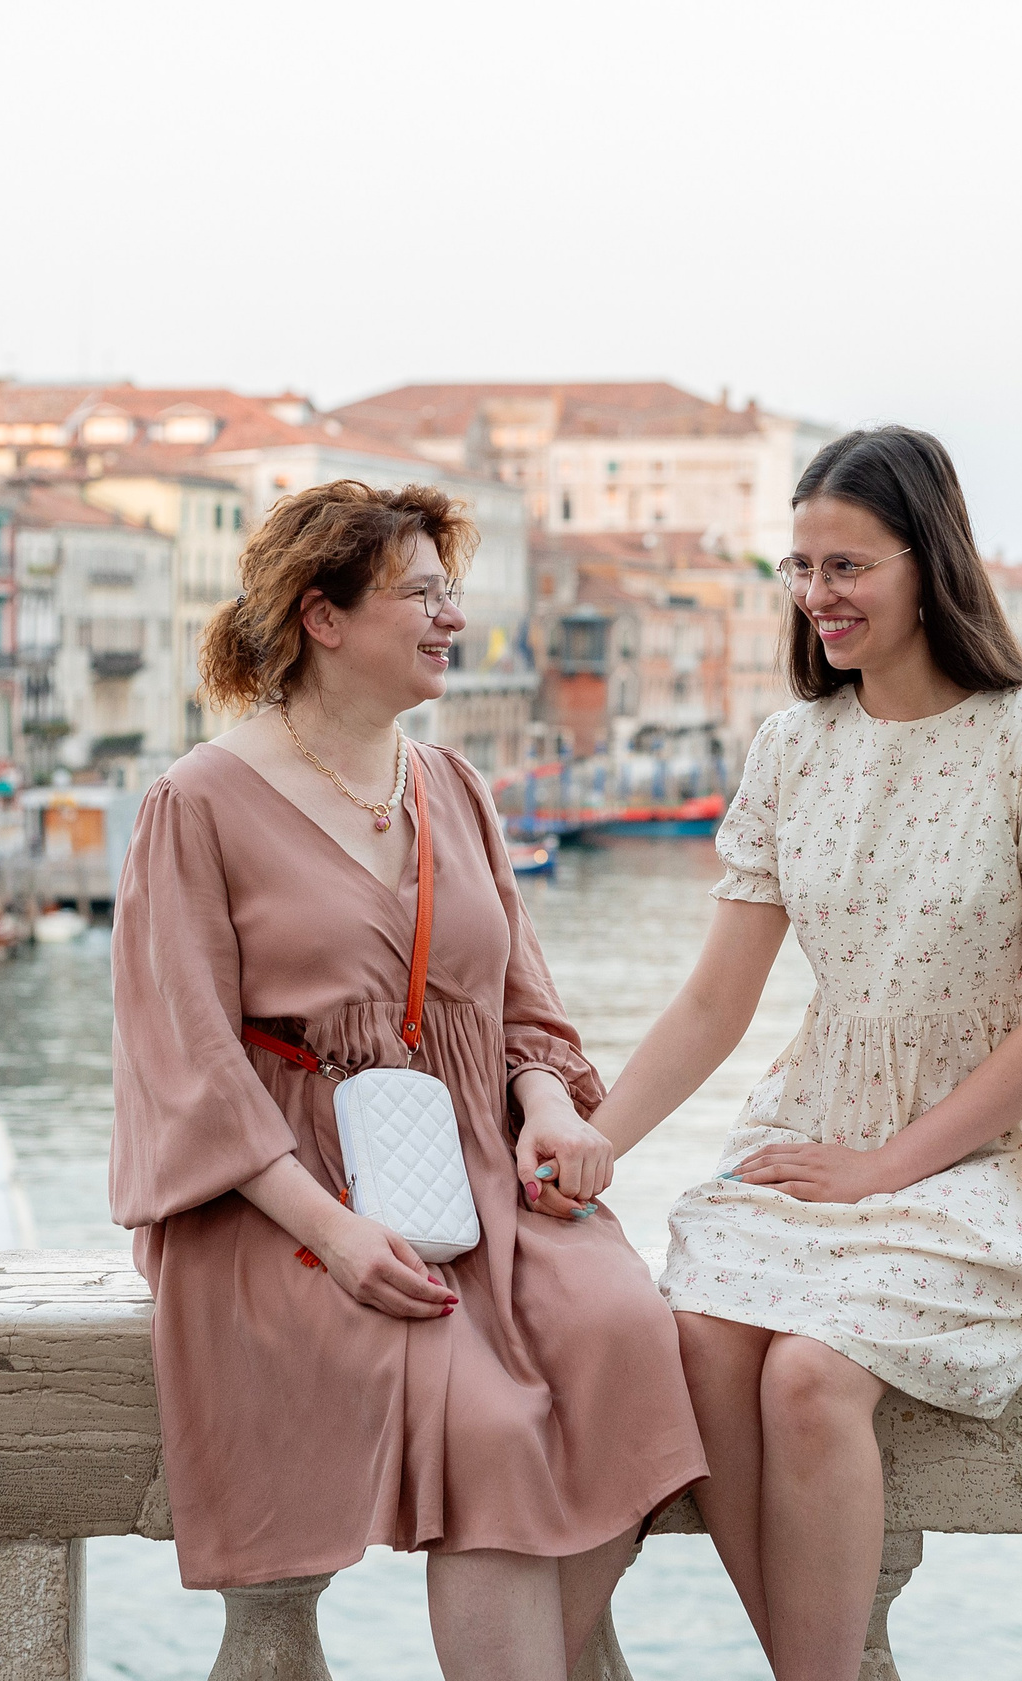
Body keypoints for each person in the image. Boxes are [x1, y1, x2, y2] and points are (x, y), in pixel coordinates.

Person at [110, 480, 704, 1681]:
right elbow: (185, 1058)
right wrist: (333, 1231)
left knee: (636, 1338)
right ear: (322, 618)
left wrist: (544, 1102)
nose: (451, 620)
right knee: (489, 1430)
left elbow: (525, 1008)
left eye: (451, 593)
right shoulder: (198, 803)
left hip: (480, 1174)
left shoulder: (454, 788)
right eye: (420, 595)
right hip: (281, 1207)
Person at [585, 427, 1022, 1679]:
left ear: (927, 563)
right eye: (799, 567)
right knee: (704, 1339)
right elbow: (717, 1002)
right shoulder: (792, 749)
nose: (816, 595)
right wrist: (594, 1146)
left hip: (992, 1153)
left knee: (812, 1382)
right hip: (817, 1124)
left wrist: (887, 1167)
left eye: (846, 566)